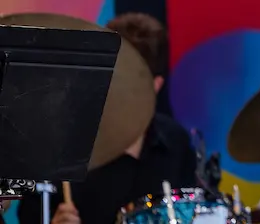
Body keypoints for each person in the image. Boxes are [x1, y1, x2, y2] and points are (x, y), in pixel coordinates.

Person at [19, 13, 197, 224]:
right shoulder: (63, 145)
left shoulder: (177, 142)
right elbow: (29, 216)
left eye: (126, 80)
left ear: (155, 85)